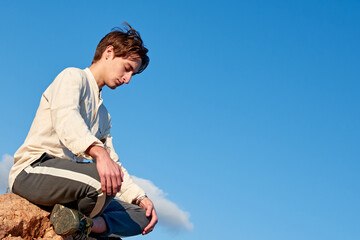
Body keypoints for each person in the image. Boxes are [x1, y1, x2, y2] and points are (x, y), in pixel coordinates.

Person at [8, 23, 158, 239]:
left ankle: (85, 224)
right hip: (33, 171)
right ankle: (83, 228)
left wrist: (139, 197)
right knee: (102, 179)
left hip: (71, 186)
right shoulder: (73, 77)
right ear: (109, 52)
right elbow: (67, 119)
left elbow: (113, 163)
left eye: (132, 74)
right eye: (127, 69)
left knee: (143, 215)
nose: (128, 79)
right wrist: (99, 152)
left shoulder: (104, 114)